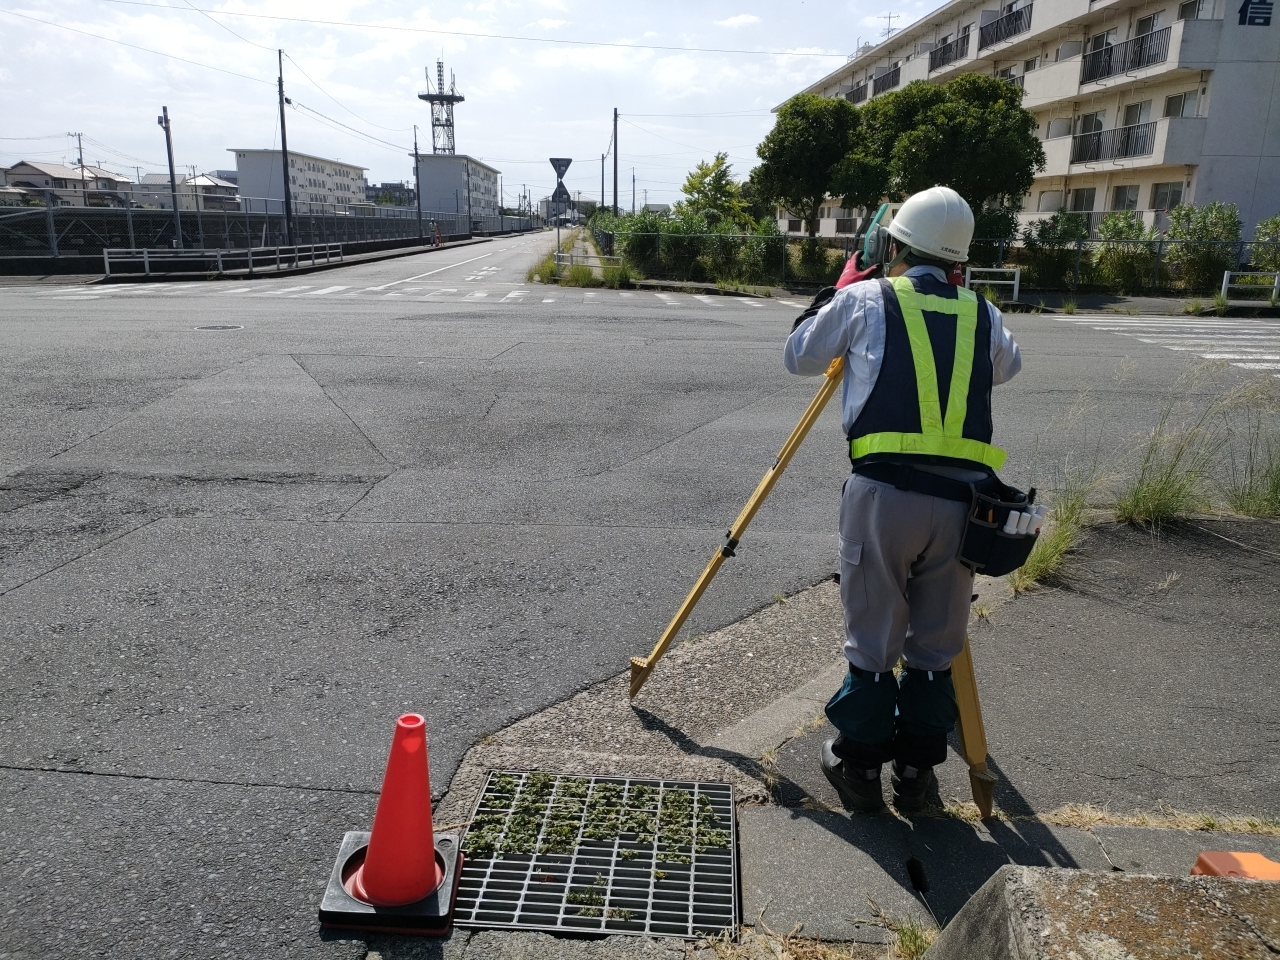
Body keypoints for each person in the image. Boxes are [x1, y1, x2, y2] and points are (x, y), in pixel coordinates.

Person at [783, 186, 1022, 813]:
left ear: (893, 246)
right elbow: (1006, 367)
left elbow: (798, 357)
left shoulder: (864, 299)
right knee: (937, 642)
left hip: (884, 496)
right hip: (965, 506)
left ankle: (858, 765)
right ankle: (917, 777)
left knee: (872, 631)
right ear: (958, 260)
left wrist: (839, 289)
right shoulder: (984, 313)